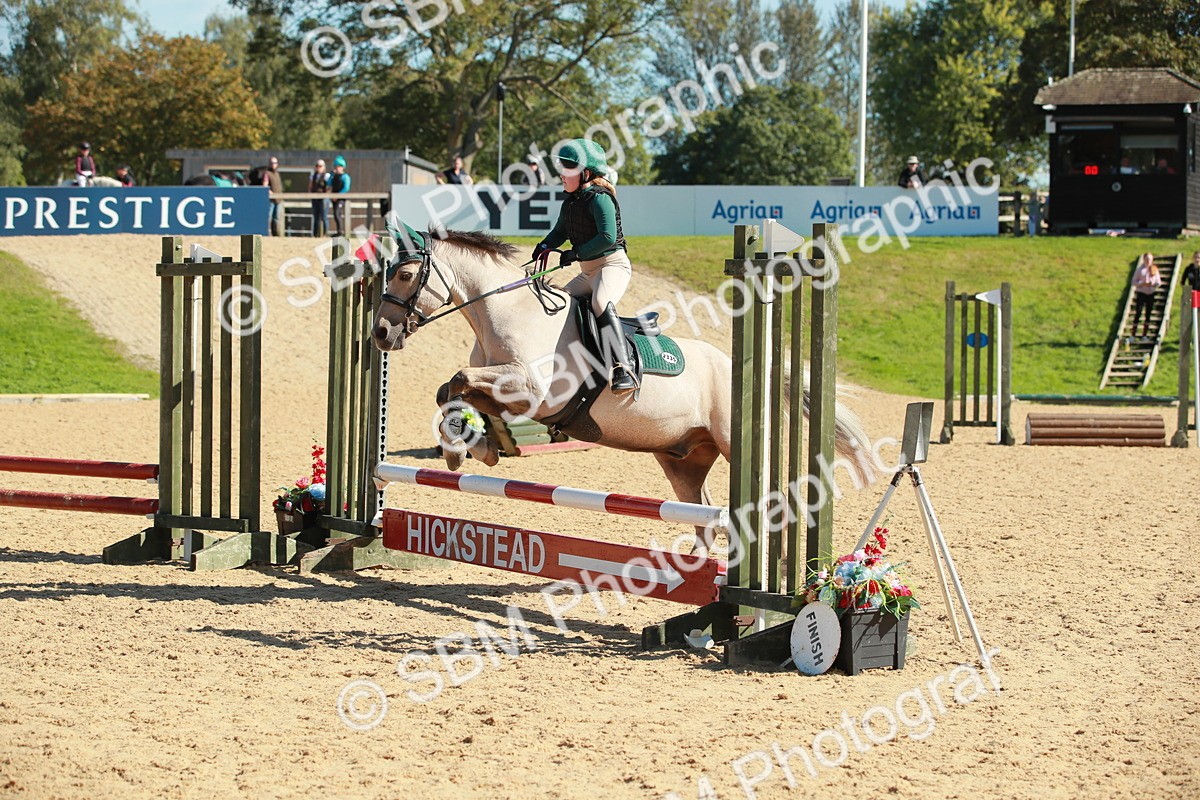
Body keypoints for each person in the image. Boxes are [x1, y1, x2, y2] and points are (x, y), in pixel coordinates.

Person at [532, 138, 637, 394]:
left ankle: (624, 366)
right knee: (561, 305)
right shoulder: (570, 202)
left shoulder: (600, 199)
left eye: (568, 169)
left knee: (601, 302)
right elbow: (559, 232)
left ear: (586, 173)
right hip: (588, 272)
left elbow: (607, 238)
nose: (562, 174)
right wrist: (545, 245)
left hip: (613, 266)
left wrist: (575, 253)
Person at [1130, 252, 1162, 339]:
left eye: (1150, 259)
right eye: (1147, 259)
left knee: (1148, 313)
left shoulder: (1154, 269)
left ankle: (1144, 334)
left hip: (1151, 293)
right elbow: (1133, 281)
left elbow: (1159, 282)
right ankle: (1133, 334)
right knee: (1138, 312)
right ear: (1144, 260)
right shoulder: (1140, 270)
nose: (1148, 261)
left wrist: (1153, 283)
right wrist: (1142, 283)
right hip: (1142, 292)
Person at [329, 155, 351, 236]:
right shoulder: (333, 176)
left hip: (340, 198)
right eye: (336, 166)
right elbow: (328, 184)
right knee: (335, 214)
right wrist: (331, 176)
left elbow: (346, 188)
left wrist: (337, 196)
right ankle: (339, 231)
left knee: (337, 213)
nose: (336, 168)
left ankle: (340, 231)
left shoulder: (345, 177)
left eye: (338, 166)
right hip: (334, 198)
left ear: (343, 167)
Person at [262, 156, 284, 236]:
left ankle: (276, 234)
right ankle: (268, 233)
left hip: (279, 199)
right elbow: (265, 185)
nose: (273, 165)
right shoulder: (267, 173)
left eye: (275, 163)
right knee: (269, 217)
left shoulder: (277, 174)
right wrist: (269, 191)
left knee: (277, 218)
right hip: (271, 200)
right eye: (272, 163)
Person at [309, 159, 331, 237]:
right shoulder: (313, 176)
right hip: (315, 198)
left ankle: (325, 234)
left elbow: (328, 188)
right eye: (317, 166)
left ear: (324, 167)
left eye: (320, 166)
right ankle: (316, 235)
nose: (318, 168)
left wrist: (325, 195)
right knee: (316, 218)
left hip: (323, 199)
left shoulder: (327, 176)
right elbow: (310, 187)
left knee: (324, 217)